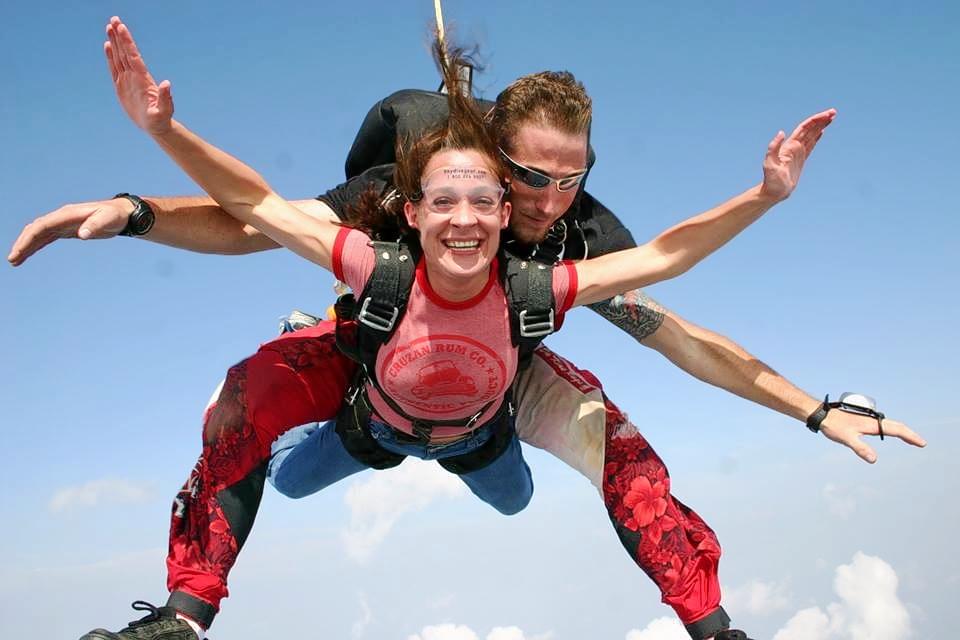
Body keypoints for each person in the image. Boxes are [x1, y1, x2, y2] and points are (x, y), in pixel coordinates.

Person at [7, 18, 925, 640]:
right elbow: (252, 213)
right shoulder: (413, 201)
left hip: (498, 384)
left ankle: (712, 625)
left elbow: (678, 322)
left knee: (565, 477)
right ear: (484, 162)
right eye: (531, 178)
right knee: (272, 437)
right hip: (375, 373)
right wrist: (134, 206)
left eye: (573, 178)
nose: (548, 202)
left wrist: (814, 410)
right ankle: (184, 614)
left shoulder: (573, 243)